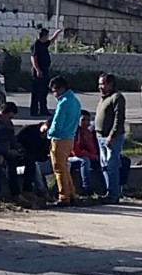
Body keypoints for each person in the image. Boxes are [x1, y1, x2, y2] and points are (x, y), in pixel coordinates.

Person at [46, 75, 81, 207]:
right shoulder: (75, 101)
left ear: (61, 88)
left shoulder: (63, 103)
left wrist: (48, 133)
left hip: (59, 139)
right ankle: (71, 193)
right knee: (65, 168)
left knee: (59, 169)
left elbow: (57, 124)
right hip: (70, 138)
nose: (54, 94)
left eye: (54, 90)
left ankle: (63, 196)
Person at [96, 73, 126, 204]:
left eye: (103, 84)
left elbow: (119, 119)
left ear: (111, 84)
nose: (100, 87)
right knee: (104, 166)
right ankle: (109, 192)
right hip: (100, 136)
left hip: (111, 137)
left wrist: (111, 135)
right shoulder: (104, 98)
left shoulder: (117, 97)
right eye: (99, 84)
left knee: (112, 165)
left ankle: (114, 194)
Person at [0, 102, 23, 198]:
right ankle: (13, 194)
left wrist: (17, 149)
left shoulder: (9, 124)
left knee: (29, 160)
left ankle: (27, 191)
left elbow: (12, 139)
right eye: (9, 117)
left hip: (8, 152)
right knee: (9, 164)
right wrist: (5, 151)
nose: (10, 120)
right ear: (2, 113)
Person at [29, 27, 63, 117]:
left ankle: (43, 110)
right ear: (43, 36)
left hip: (44, 70)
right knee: (36, 92)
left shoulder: (44, 44)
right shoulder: (36, 44)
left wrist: (57, 33)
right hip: (38, 71)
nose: (48, 37)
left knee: (44, 91)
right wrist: (37, 70)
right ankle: (34, 111)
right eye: (47, 35)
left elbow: (51, 41)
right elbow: (33, 58)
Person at [69, 110, 99, 196]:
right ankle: (86, 188)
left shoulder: (88, 132)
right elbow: (75, 152)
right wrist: (91, 156)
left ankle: (104, 188)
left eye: (88, 120)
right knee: (85, 160)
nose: (86, 123)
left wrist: (86, 139)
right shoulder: (73, 132)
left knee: (99, 162)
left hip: (84, 156)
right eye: (83, 120)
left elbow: (93, 150)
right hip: (70, 158)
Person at [16, 120, 50, 196]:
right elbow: (16, 142)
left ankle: (59, 190)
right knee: (34, 164)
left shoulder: (49, 137)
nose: (46, 132)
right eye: (46, 129)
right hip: (25, 160)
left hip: (41, 160)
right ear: (43, 124)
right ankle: (41, 191)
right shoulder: (28, 129)